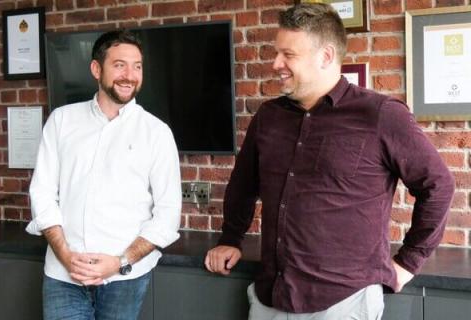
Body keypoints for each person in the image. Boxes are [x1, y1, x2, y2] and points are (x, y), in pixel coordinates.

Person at [205, 3, 455, 319]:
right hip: (270, 298)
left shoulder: (380, 114)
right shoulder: (268, 116)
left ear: (325, 56)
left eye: (288, 54)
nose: (275, 63)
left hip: (343, 303)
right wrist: (231, 238)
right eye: (277, 53)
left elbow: (439, 185)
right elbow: (242, 185)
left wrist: (409, 261)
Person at [26, 30, 182, 320]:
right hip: (63, 276)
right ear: (97, 69)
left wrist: (120, 262)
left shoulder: (157, 133)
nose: (130, 75)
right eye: (119, 65)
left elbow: (168, 213)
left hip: (126, 278)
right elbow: (42, 192)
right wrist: (64, 255)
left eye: (137, 66)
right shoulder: (62, 120)